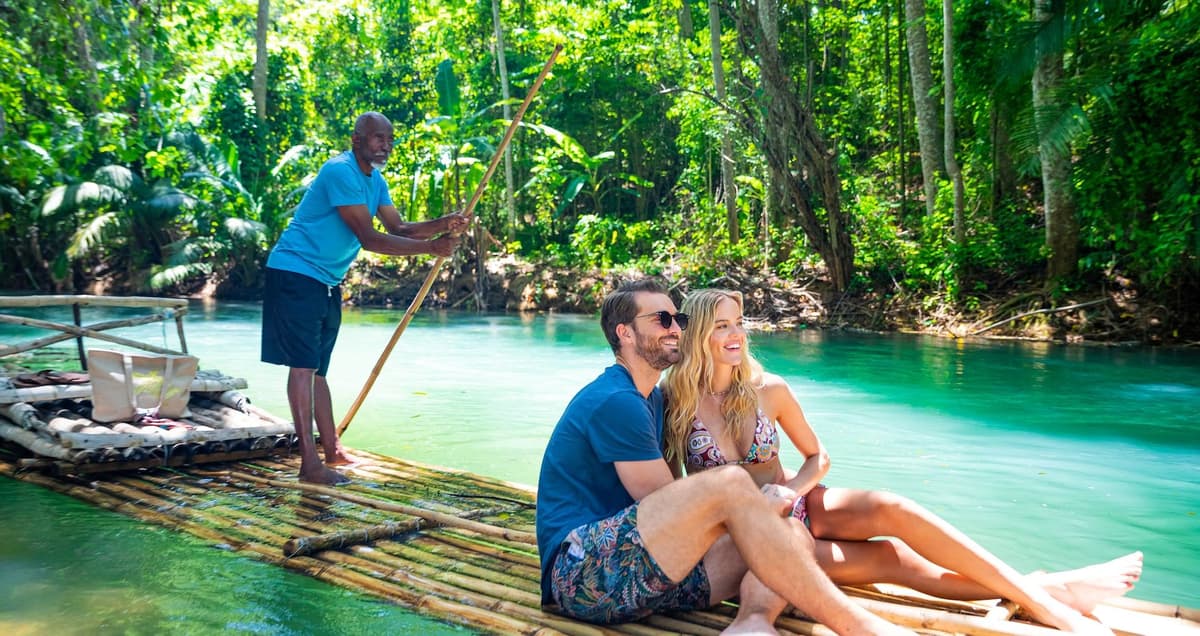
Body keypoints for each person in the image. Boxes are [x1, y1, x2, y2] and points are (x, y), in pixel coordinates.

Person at [662, 288, 1144, 635]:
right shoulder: (675, 401)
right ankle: (1055, 588)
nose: (736, 334)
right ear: (700, 333)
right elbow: (668, 490)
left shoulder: (770, 390)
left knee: (893, 507)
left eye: (739, 322)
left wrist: (791, 490)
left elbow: (818, 457)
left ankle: (1044, 601)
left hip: (799, 504)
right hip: (751, 538)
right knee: (894, 561)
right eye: (722, 325)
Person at [536, 279, 913, 635]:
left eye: (678, 319)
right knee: (732, 485)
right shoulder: (617, 399)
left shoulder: (652, 398)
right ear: (625, 332)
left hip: (647, 577)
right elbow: (664, 505)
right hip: (582, 574)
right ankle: (859, 628)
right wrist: (748, 504)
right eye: (661, 319)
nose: (675, 328)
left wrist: (776, 502)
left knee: (790, 532)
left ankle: (752, 622)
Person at [261, 111, 468, 485]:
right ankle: (309, 465)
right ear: (356, 140)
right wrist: (432, 248)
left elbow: (399, 227)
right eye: (377, 138)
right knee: (303, 367)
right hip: (295, 271)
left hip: (325, 279)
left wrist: (443, 223)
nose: (385, 145)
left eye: (389, 139)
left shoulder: (376, 181)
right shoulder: (340, 171)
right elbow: (370, 239)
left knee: (318, 369)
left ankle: (332, 450)